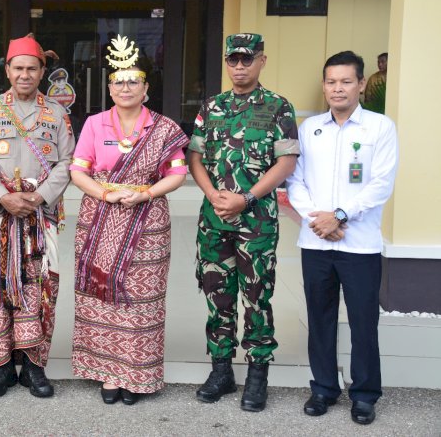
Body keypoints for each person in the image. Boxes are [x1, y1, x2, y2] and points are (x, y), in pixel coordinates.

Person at [70, 34, 189, 405]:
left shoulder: (163, 128)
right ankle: (107, 373)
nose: (125, 87)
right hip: (100, 217)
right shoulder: (94, 124)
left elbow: (177, 173)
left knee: (142, 296)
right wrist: (106, 193)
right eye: (118, 80)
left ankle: (136, 373)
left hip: (147, 220)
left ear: (146, 87)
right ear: (109, 87)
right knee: (101, 292)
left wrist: (146, 193)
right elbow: (78, 171)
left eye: (133, 80)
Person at [189, 33, 300, 412]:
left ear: (261, 61)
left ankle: (257, 374)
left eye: (247, 60)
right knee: (217, 294)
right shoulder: (212, 106)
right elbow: (196, 157)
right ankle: (221, 370)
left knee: (256, 297)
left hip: (257, 221)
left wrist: (246, 198)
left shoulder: (277, 107)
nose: (239, 66)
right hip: (215, 219)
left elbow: (286, 162)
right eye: (233, 60)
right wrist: (214, 196)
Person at [286, 51, 398, 426]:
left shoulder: (380, 128)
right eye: (331, 82)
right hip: (316, 241)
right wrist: (317, 219)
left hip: (359, 243)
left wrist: (340, 215)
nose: (338, 88)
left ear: (361, 84)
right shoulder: (309, 128)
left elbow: (381, 184)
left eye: (346, 81)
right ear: (324, 85)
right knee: (320, 317)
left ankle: (365, 394)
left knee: (364, 321)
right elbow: (294, 181)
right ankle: (323, 388)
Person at [0, 34, 75, 398]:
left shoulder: (58, 113)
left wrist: (40, 196)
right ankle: (1, 368)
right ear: (8, 70)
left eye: (32, 68)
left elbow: (68, 162)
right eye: (19, 68)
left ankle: (34, 366)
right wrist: (3, 197)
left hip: (41, 217)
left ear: (43, 70)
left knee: (41, 286)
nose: (25, 75)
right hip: (0, 217)